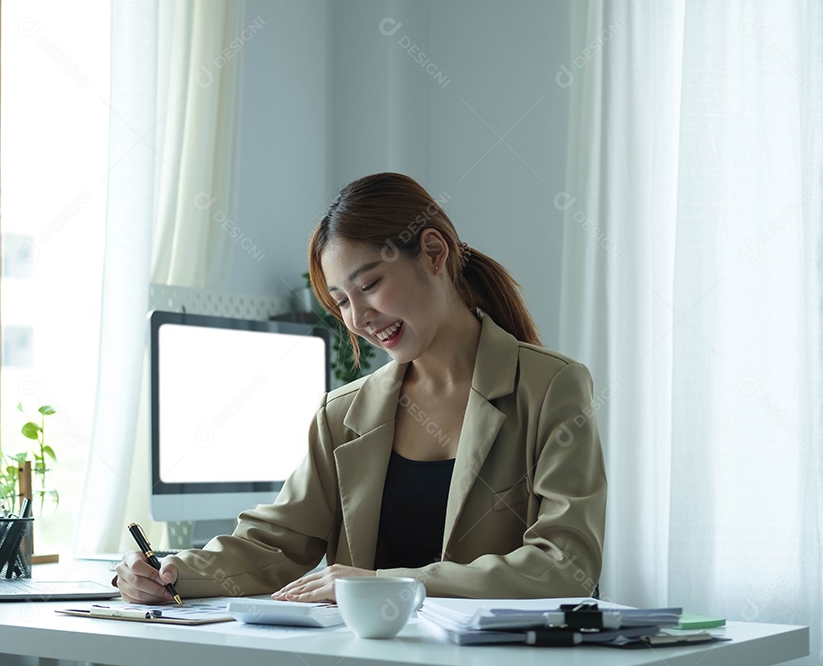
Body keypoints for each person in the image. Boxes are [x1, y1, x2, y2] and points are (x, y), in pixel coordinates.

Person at [115, 172, 607, 603]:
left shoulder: (550, 387)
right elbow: (276, 543)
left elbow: (566, 564)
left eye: (369, 285)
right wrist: (171, 571)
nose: (359, 319)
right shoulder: (342, 413)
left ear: (433, 252)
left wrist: (387, 582)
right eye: (341, 301)